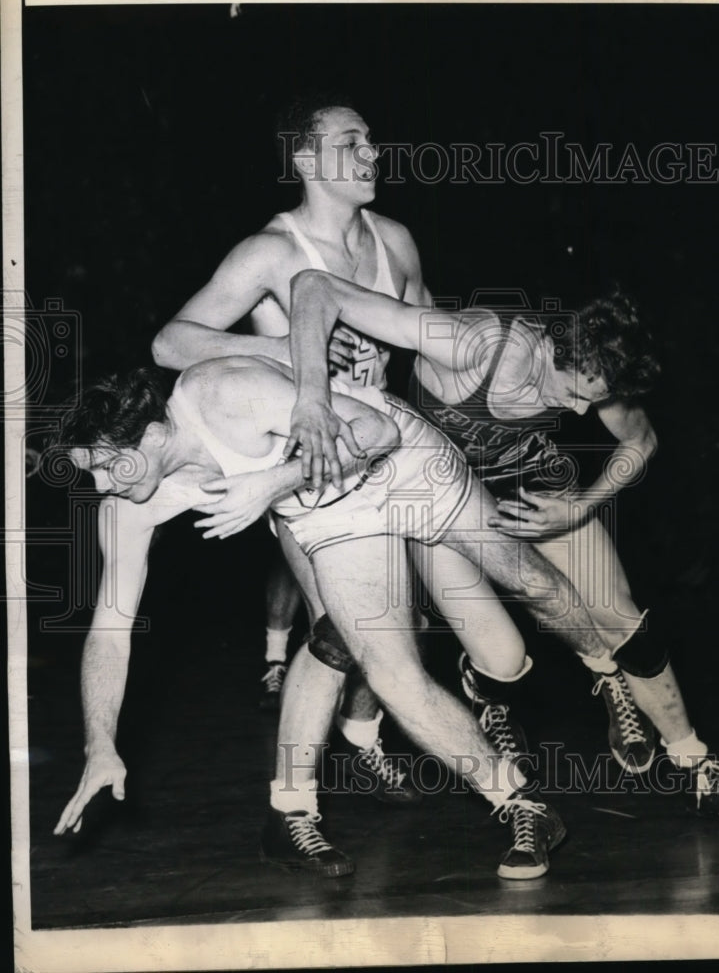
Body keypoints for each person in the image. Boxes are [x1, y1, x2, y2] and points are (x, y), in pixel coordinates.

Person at [51, 354, 622, 878]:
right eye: (91, 472)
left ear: (152, 435)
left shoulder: (221, 393)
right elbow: (108, 632)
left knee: (533, 583)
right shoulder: (125, 509)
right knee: (390, 673)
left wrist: (272, 482)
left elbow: (377, 433)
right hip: (326, 508)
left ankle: (619, 673)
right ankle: (524, 805)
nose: (102, 485)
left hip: (396, 461)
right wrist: (99, 745)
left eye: (108, 467)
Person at [282, 270, 719, 827]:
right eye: (575, 394)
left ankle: (696, 766)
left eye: (592, 400)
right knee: (505, 654)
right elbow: (316, 287)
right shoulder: (471, 343)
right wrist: (311, 398)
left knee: (619, 616)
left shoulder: (594, 367)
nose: (580, 413)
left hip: (527, 483)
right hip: (444, 494)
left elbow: (640, 440)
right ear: (554, 351)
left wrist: (582, 503)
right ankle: (485, 685)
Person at [150, 92, 448, 795]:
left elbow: (431, 341)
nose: (372, 153)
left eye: (372, 140)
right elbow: (170, 343)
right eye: (352, 142)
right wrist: (291, 345)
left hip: (381, 441)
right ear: (306, 159)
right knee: (340, 629)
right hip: (303, 457)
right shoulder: (270, 250)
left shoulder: (394, 240)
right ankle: (294, 802)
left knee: (403, 620)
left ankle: (362, 732)